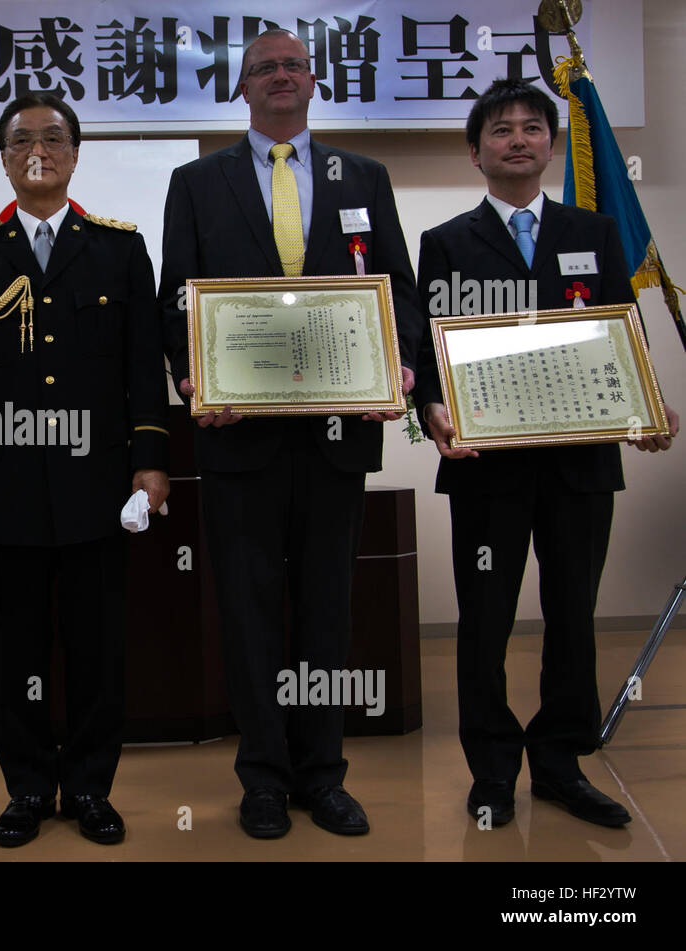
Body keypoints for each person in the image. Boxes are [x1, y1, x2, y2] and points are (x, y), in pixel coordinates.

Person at [157, 29, 424, 839]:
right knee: (247, 611)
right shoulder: (196, 181)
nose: (281, 76)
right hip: (238, 437)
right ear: (241, 90)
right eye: (264, 68)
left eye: (293, 65)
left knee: (326, 611)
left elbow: (399, 295)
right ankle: (263, 778)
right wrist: (192, 376)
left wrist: (400, 368)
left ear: (315, 83)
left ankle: (323, 773)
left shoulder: (364, 178)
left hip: (338, 433)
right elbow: (178, 298)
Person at [413, 78, 679, 829]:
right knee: (485, 620)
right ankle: (492, 769)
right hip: (486, 469)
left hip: (580, 464)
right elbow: (429, 351)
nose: (519, 139)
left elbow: (624, 331)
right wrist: (430, 404)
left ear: (551, 147)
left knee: (573, 615)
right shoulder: (447, 242)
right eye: (502, 130)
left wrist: (647, 399)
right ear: (476, 152)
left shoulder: (595, 234)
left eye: (534, 127)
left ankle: (561, 762)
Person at [0, 92, 170, 847]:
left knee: (99, 648)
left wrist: (151, 462)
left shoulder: (118, 247)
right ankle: (29, 788)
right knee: (19, 649)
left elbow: (141, 369)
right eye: (22, 139)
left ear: (74, 153)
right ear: (3, 157)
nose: (39, 150)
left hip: (98, 484)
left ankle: (92, 787)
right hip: (5, 483)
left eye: (54, 138)